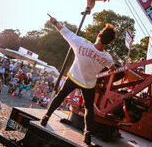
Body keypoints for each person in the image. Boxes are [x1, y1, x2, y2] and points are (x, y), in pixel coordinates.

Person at [40, 16, 116, 145]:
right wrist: (108, 70)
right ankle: (87, 134)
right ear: (109, 43)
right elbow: (112, 69)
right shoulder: (108, 58)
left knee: (60, 96)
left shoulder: (81, 42)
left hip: (74, 77)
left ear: (98, 35)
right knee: (89, 108)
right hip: (89, 84)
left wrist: (54, 22)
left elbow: (65, 31)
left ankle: (45, 117)